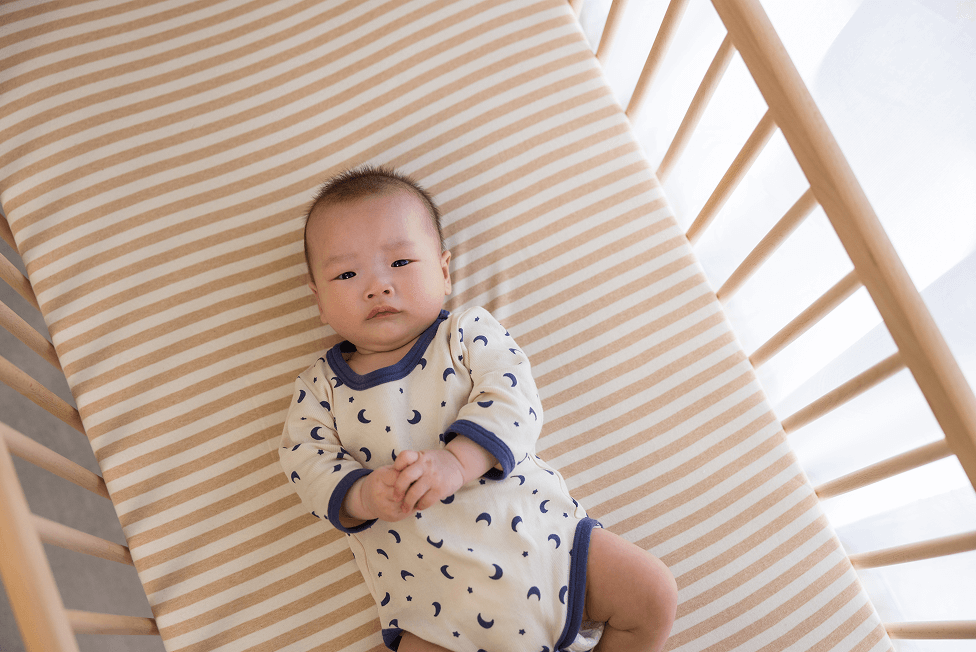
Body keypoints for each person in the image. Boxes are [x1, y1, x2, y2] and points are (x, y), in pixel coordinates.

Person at [279, 165, 677, 652]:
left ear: (444, 271)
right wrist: (363, 495)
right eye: (346, 273)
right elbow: (305, 460)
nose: (377, 285)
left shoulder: (465, 334)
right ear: (319, 302)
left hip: (546, 549)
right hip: (435, 608)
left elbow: (513, 397)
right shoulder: (320, 388)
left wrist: (456, 461)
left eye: (401, 263)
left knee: (653, 592)